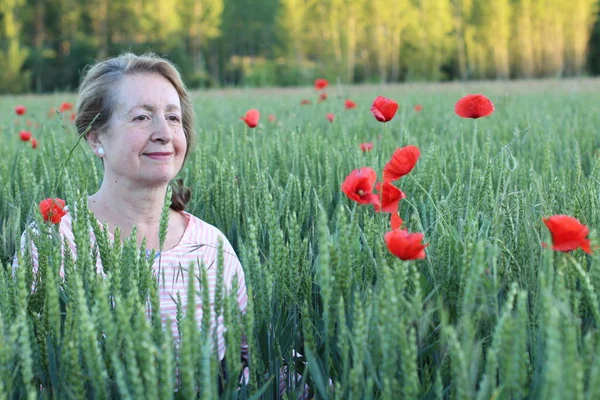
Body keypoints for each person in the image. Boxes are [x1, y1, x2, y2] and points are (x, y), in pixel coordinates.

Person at [12, 52, 249, 387]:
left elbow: (248, 361)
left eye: (173, 118)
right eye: (141, 117)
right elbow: (29, 368)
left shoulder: (211, 247)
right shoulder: (54, 242)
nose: (164, 133)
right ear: (96, 137)